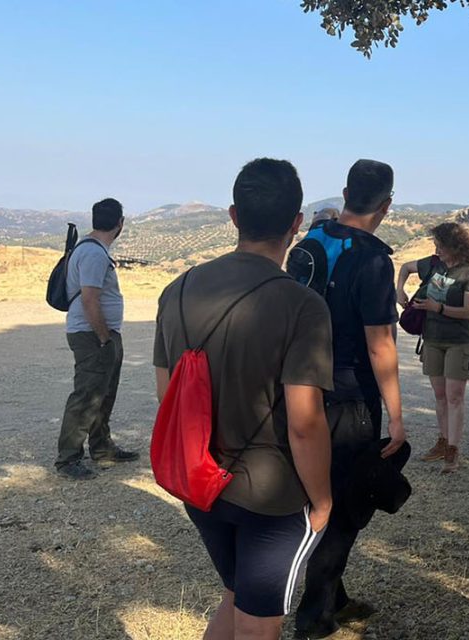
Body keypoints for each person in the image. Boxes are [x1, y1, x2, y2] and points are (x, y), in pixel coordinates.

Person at [153, 158, 334, 640]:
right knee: (259, 620)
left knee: (236, 595)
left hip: (201, 484)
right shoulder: (302, 304)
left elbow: (165, 391)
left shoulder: (178, 289)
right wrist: (321, 500)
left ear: (234, 216)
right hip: (271, 496)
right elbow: (304, 421)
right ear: (296, 224)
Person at [296, 159, 410, 638]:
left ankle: (334, 596)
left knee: (314, 495)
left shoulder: (308, 246)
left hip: (300, 387)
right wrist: (398, 416)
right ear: (386, 205)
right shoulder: (372, 259)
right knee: (343, 506)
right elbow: (380, 342)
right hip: (349, 397)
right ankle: (315, 617)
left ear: (345, 193)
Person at [55, 197, 138, 480]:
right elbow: (90, 299)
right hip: (93, 335)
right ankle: (68, 459)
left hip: (100, 334)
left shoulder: (93, 250)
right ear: (120, 224)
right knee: (87, 396)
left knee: (103, 393)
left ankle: (102, 448)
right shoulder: (92, 253)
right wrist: (104, 337)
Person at [396, 222, 469, 473]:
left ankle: (453, 452)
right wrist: (399, 289)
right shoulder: (434, 264)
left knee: (455, 396)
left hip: (458, 341)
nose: (437, 250)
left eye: (441, 246)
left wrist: (439, 309)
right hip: (432, 339)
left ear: (456, 247)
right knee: (439, 395)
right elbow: (405, 267)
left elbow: (468, 312)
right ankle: (443, 441)